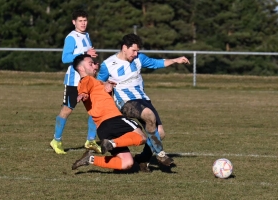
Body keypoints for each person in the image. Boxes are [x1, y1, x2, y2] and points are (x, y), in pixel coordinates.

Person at [96, 33, 190, 171]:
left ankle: (142, 159)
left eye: (137, 51)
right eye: (133, 50)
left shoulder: (139, 58)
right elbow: (98, 82)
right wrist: (104, 84)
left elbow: (156, 63)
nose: (136, 54)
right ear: (124, 48)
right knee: (148, 115)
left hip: (143, 99)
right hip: (125, 102)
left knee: (159, 133)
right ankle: (160, 154)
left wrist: (175, 60)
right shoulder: (108, 65)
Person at [71, 54, 147, 171]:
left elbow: (96, 89)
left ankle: (90, 159)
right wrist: (83, 94)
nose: (94, 66)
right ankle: (112, 143)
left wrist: (108, 84)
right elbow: (84, 88)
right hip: (113, 119)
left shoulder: (96, 82)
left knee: (127, 163)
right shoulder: (87, 80)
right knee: (141, 137)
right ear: (81, 68)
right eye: (90, 64)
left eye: (94, 63)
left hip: (102, 128)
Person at [50, 10, 101, 155]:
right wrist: (85, 53)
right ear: (74, 22)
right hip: (74, 81)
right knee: (67, 110)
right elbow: (65, 58)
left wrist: (93, 64)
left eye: (85, 20)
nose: (83, 23)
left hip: (88, 80)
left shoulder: (87, 35)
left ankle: (90, 140)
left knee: (95, 109)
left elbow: (86, 58)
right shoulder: (71, 37)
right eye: (80, 21)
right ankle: (56, 140)